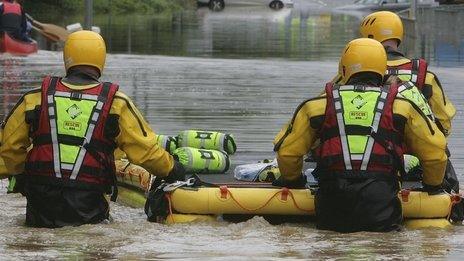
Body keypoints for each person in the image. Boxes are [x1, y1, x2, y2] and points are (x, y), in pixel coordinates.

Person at [0, 30, 185, 228]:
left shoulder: (34, 99)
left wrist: (19, 173)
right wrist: (173, 169)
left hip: (41, 205)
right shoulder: (117, 104)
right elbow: (145, 152)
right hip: (89, 205)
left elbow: (9, 149)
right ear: (101, 60)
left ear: (67, 58)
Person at [273, 38, 447, 232]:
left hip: (332, 203)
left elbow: (287, 153)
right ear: (382, 69)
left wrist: (293, 181)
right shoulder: (402, 107)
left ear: (344, 69)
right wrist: (433, 187)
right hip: (381, 202)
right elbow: (435, 154)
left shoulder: (316, 106)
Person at [358, 11, 463, 221]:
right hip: (421, 158)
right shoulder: (426, 76)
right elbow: (443, 123)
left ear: (368, 38)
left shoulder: (355, 71)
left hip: (371, 161)